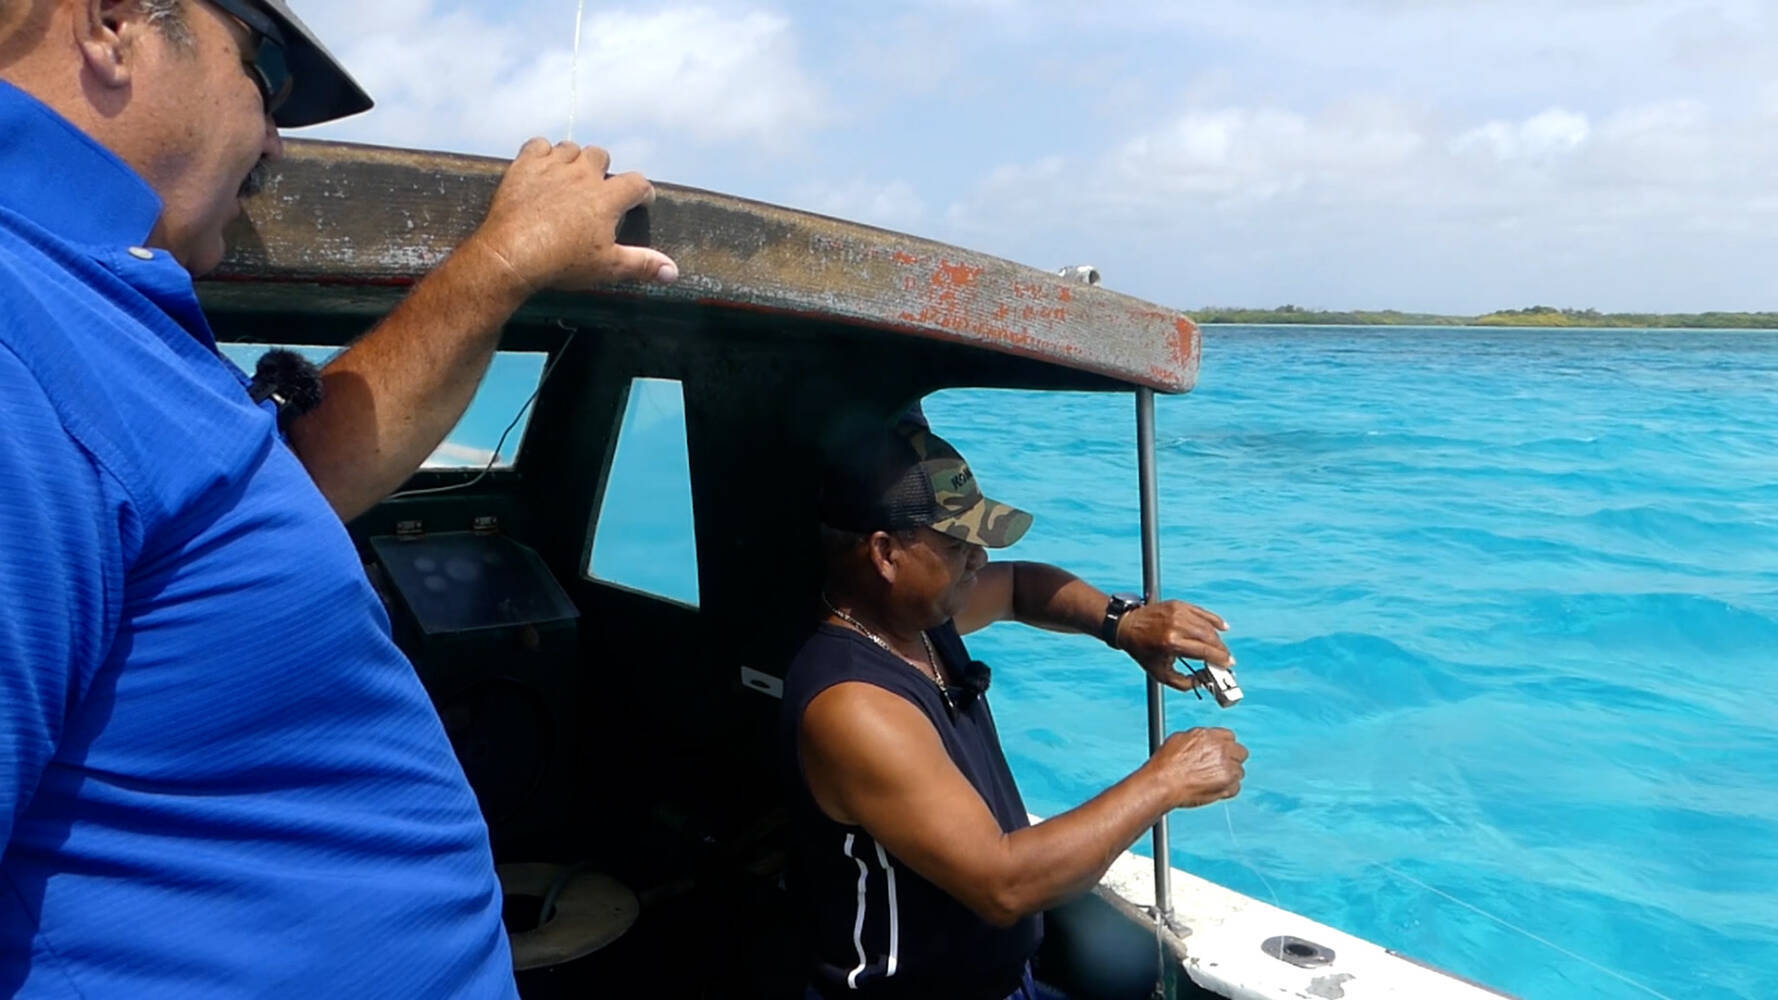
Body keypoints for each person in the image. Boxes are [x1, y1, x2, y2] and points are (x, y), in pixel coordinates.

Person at [0, 0, 675, 995]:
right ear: (111, 23)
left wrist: (499, 266)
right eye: (262, 71)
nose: (275, 138)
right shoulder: (23, 337)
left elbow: (267, 509)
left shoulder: (93, 311)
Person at [783, 419, 1250, 1000]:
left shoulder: (917, 620)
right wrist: (1167, 781)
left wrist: (1123, 624)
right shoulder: (854, 706)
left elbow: (1017, 586)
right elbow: (1003, 883)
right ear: (885, 553)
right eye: (956, 545)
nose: (978, 559)